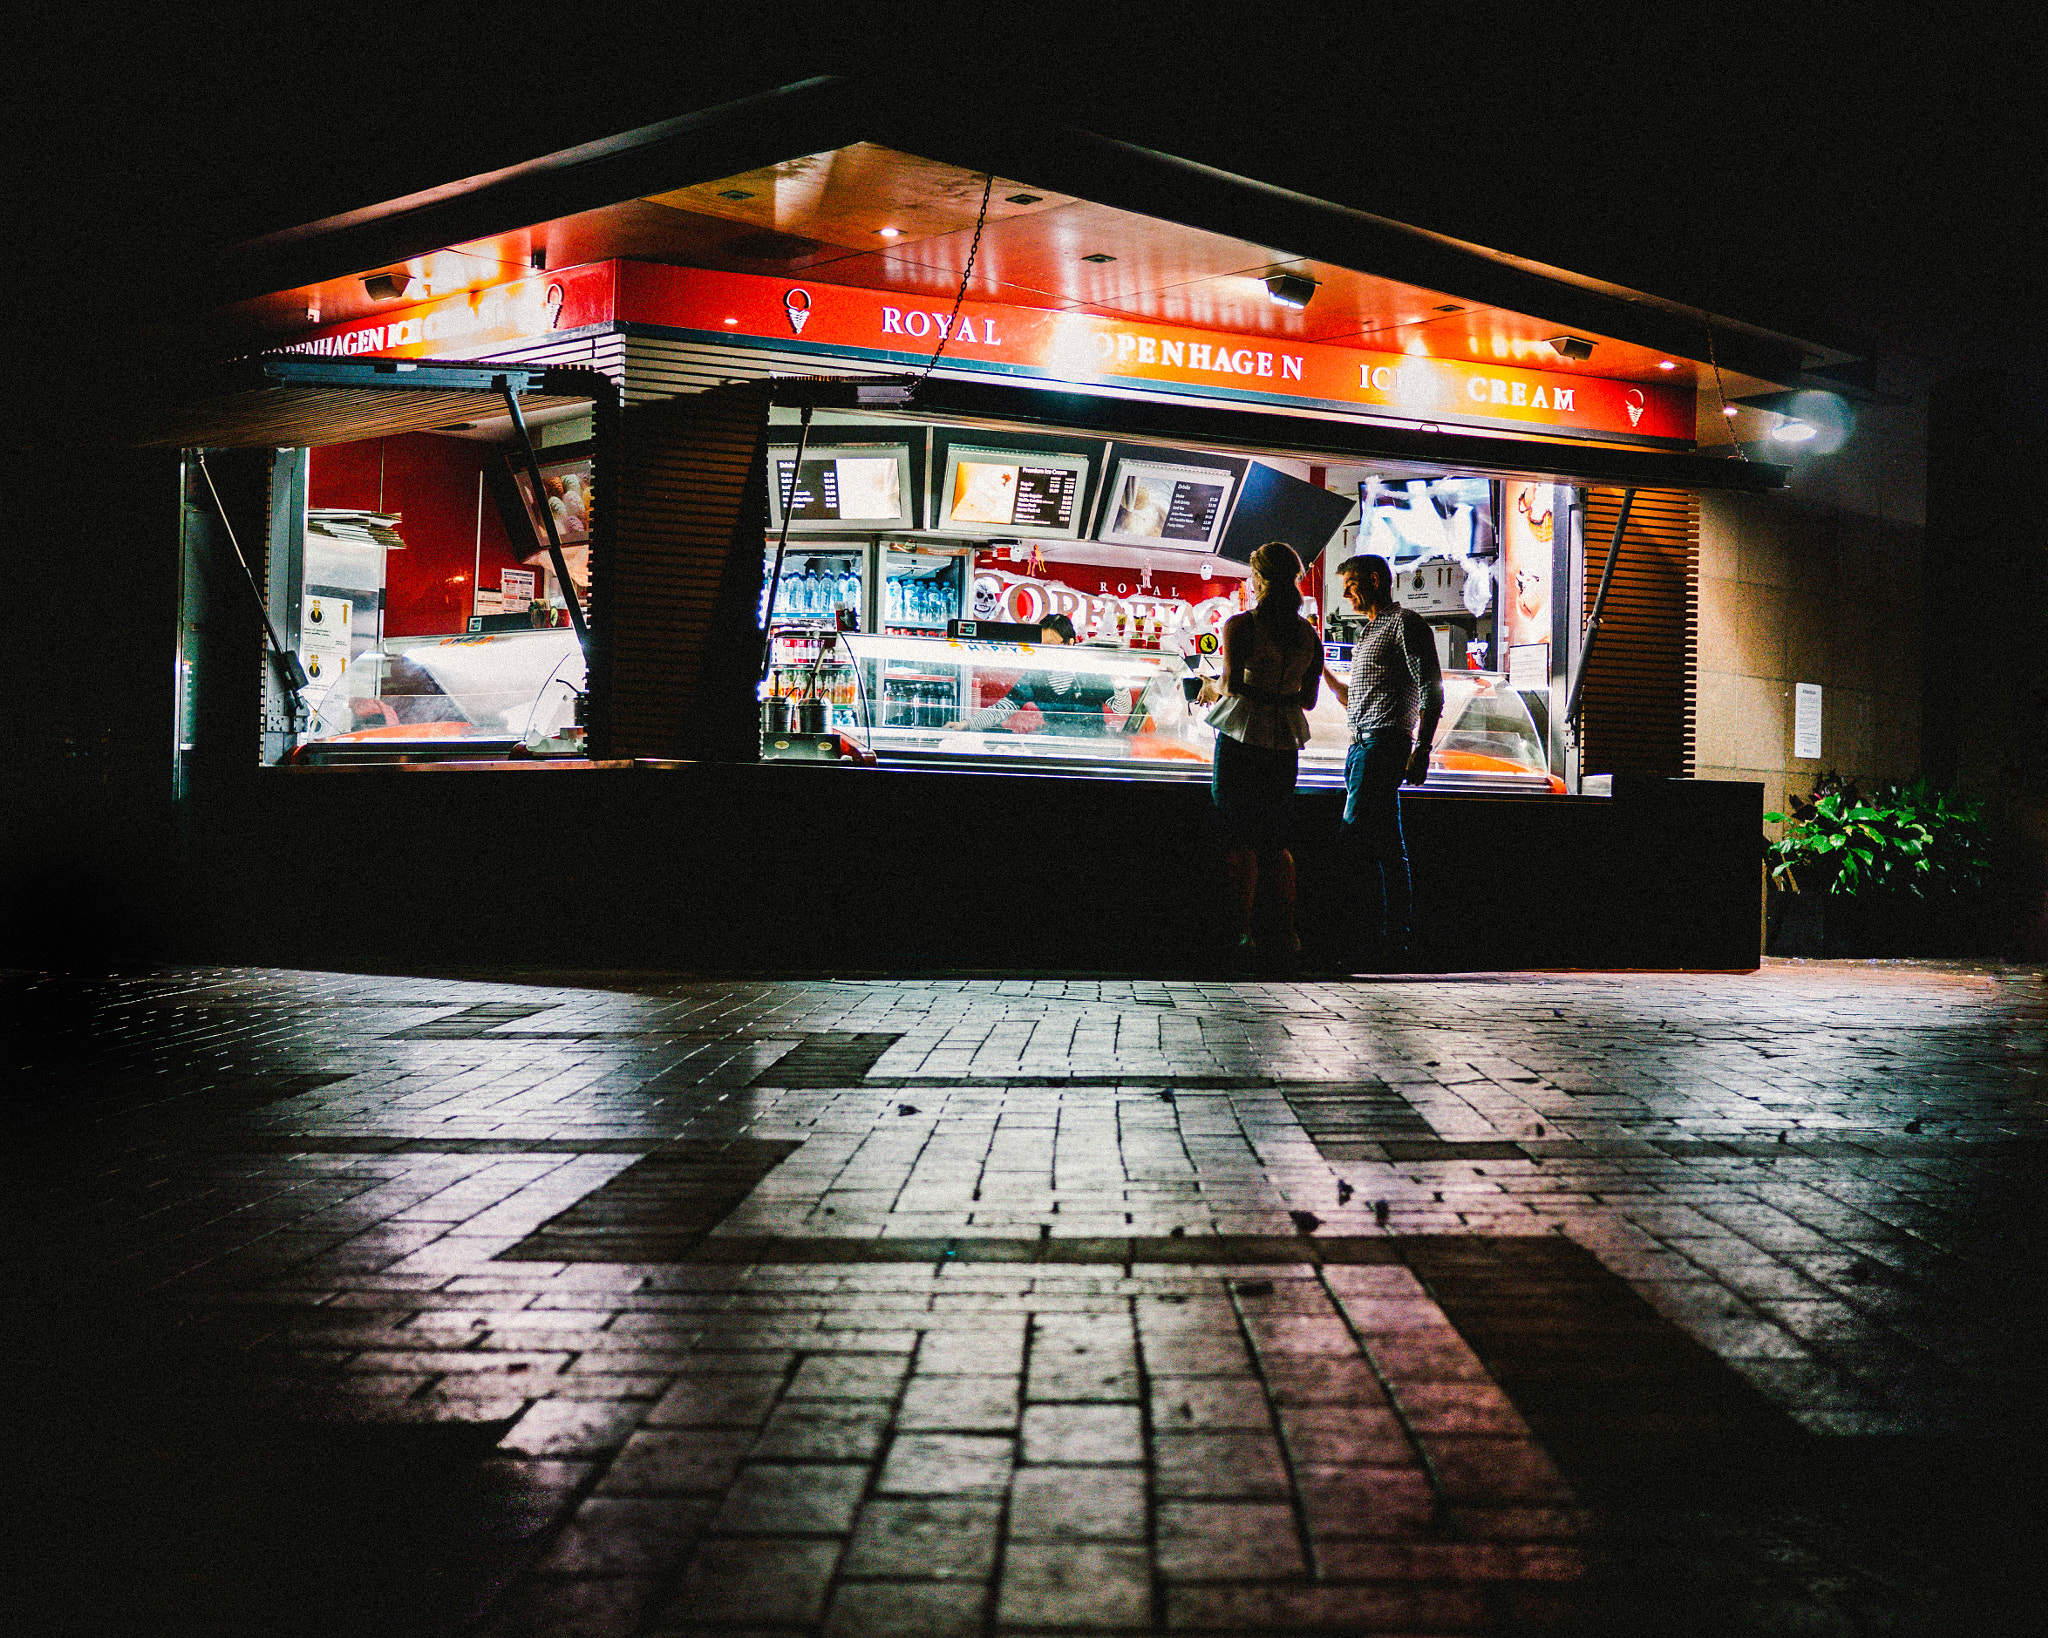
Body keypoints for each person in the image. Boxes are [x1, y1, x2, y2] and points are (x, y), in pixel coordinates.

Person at [1321, 554, 1443, 964]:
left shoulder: (1404, 623)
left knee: (1353, 841)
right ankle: (1394, 942)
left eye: (1351, 584)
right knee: (1388, 847)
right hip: (1361, 747)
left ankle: (1356, 942)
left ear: (1375, 580)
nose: (1345, 594)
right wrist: (1318, 666)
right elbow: (1353, 701)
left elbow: (1432, 689)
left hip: (1383, 746)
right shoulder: (1369, 632)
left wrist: (1422, 749)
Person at [1204, 542, 1323, 963]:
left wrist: (1208, 685)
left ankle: (1240, 935)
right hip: (1284, 742)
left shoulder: (1240, 626)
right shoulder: (1309, 635)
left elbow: (1232, 685)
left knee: (1239, 839)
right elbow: (1308, 700)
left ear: (1258, 580)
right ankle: (1287, 935)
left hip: (1242, 739)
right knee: (1275, 841)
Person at [954, 614, 1116, 735]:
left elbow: (1121, 707)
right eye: (1042, 645)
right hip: (1057, 747)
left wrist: (1120, 684)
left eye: (1051, 644)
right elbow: (1004, 708)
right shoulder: (1037, 676)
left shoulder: (1091, 671)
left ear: (1069, 643)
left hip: (1094, 748)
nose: (1046, 651)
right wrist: (967, 724)